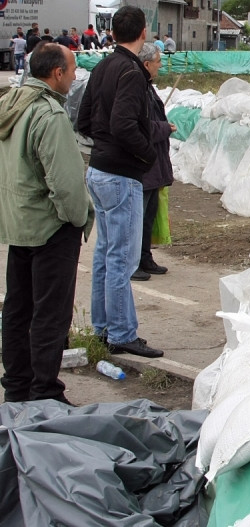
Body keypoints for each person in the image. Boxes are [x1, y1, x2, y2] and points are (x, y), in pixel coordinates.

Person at [0, 43, 94, 405]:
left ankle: (17, 388)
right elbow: (66, 184)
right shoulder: (48, 114)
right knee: (49, 314)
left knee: (18, 309)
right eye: (71, 70)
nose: (74, 76)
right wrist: (77, 219)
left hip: (19, 223)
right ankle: (44, 392)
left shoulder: (13, 103)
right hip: (50, 227)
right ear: (57, 73)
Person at [77, 6, 163, 359]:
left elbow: (83, 119)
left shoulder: (102, 67)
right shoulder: (131, 72)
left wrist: (103, 146)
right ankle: (122, 333)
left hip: (98, 169)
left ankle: (102, 327)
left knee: (105, 255)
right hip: (120, 175)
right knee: (122, 260)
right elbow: (124, 124)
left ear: (111, 33)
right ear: (144, 32)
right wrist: (147, 155)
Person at [133, 43, 174, 280]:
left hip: (153, 163)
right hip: (144, 163)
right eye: (158, 62)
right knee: (138, 217)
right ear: (147, 64)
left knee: (149, 215)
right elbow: (140, 127)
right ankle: (134, 261)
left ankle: (145, 257)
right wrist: (164, 128)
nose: (160, 66)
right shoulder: (137, 89)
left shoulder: (147, 87)